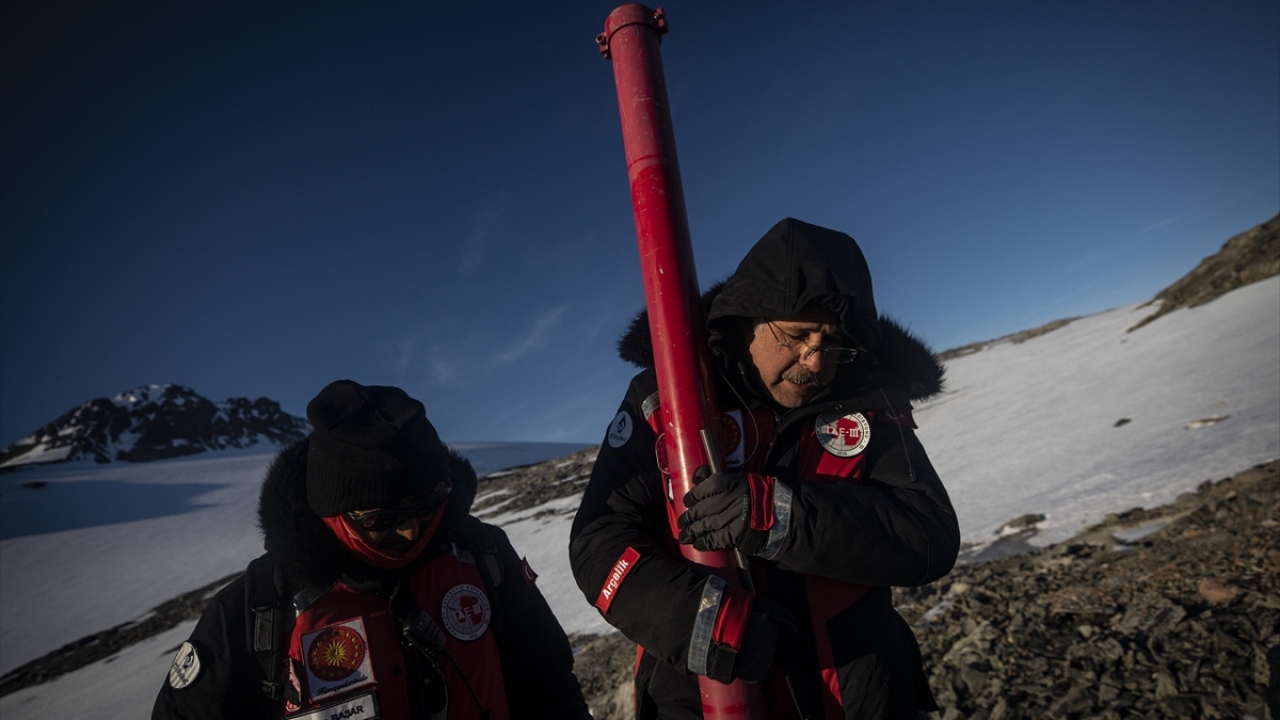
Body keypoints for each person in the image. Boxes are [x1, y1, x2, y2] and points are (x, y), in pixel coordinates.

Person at [569, 218, 960, 720]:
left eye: (832, 342)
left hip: (859, 693)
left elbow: (929, 536)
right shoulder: (665, 396)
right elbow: (599, 539)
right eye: (797, 335)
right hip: (702, 697)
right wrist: (701, 621)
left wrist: (781, 516)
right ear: (747, 319)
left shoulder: (868, 402)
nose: (816, 362)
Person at [154, 379, 593, 720]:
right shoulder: (258, 609)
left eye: (427, 506)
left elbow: (548, 686)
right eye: (381, 520)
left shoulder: (483, 554)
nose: (409, 532)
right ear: (332, 511)